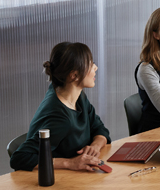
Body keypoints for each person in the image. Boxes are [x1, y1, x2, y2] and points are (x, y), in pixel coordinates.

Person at [10, 42, 111, 173]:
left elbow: (100, 129)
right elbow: (19, 158)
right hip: (57, 183)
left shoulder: (77, 97)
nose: (95, 67)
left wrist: (95, 146)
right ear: (74, 75)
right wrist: (70, 163)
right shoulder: (59, 117)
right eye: (90, 64)